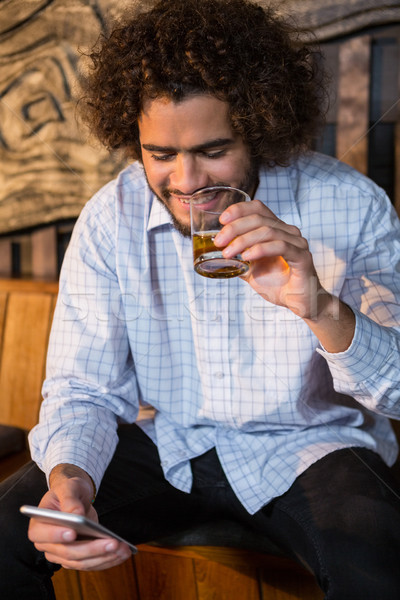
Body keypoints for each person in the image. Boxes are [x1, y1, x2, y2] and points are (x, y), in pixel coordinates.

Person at [1, 0, 400, 598]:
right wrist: (72, 476)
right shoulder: (110, 218)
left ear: (259, 128)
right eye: (160, 154)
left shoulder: (352, 203)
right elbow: (83, 389)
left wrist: (317, 304)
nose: (186, 183)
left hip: (313, 444)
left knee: (380, 562)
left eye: (213, 150)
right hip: (172, 440)